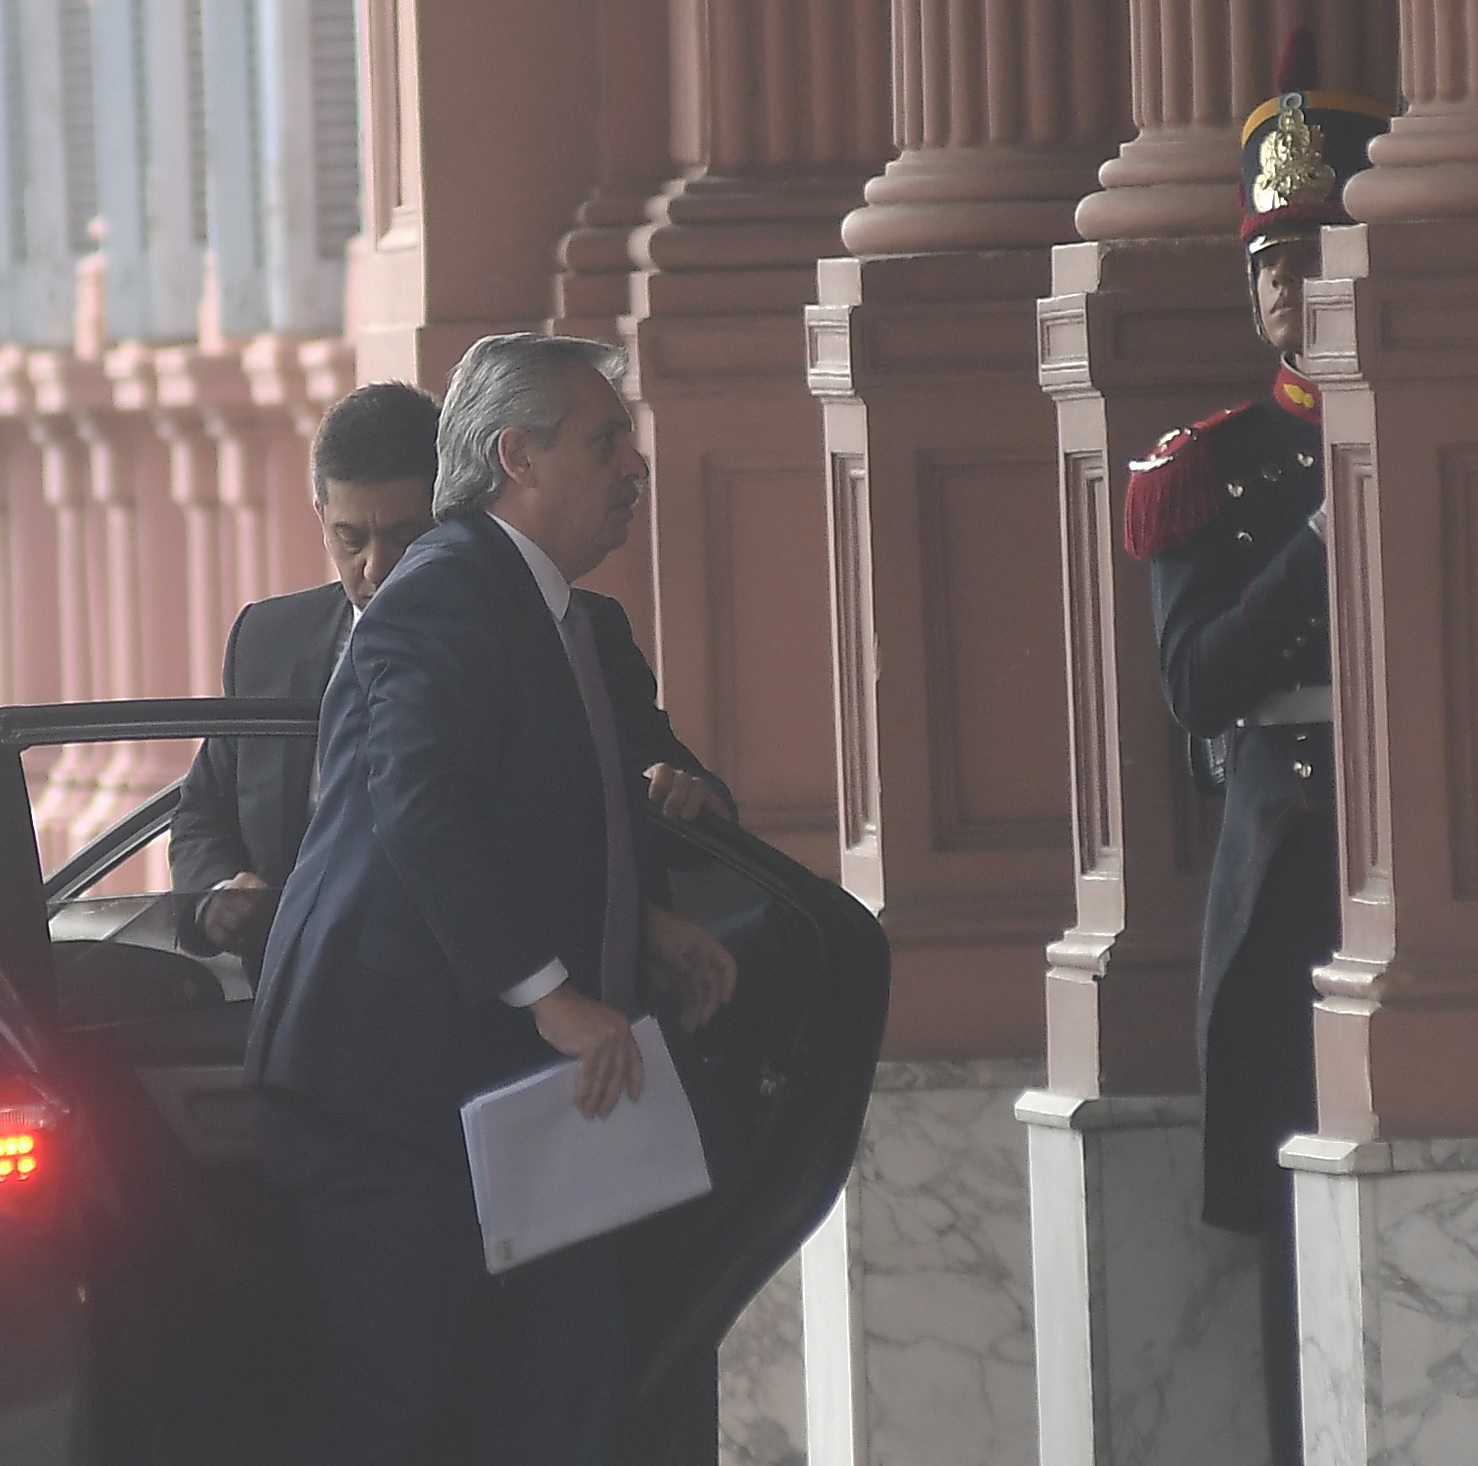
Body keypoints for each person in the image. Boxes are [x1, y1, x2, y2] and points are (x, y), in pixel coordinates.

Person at [245, 332, 737, 1466]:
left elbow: (541, 819)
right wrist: (553, 992)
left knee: (568, 1392)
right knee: (404, 1410)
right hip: (385, 1088)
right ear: (518, 454)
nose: (634, 466)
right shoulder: (444, 591)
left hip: (512, 1096)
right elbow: (421, 809)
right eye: (604, 439)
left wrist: (640, 925)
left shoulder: (544, 607)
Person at [1122, 29, 1390, 1466]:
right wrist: (1332, 525)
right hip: (1289, 866)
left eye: (1318, 255)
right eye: (1270, 264)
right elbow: (1194, 681)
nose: (1293, 287)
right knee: (1298, 1230)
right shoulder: (1208, 467)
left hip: (1424, 849)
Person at [168, 380, 441, 960]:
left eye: (404, 537)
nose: (376, 566)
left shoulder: (511, 641)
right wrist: (218, 895)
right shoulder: (265, 640)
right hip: (293, 991)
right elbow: (202, 812)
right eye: (351, 538)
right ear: (320, 515)